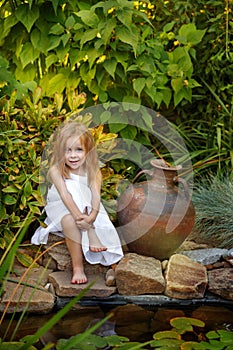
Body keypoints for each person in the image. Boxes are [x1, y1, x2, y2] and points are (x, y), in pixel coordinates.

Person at [31, 122, 124, 284]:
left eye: (79, 150)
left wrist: (92, 217)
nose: (73, 155)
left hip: (87, 213)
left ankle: (94, 245)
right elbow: (65, 195)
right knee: (73, 190)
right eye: (68, 150)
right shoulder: (56, 170)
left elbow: (96, 197)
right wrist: (84, 222)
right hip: (61, 208)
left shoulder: (93, 170)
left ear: (88, 151)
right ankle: (79, 266)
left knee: (78, 209)